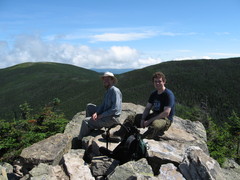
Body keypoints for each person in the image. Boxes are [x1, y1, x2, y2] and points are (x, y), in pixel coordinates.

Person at [111, 71, 175, 140]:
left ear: (164, 82)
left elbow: (166, 113)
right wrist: (143, 119)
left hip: (165, 119)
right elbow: (147, 108)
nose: (157, 83)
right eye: (155, 81)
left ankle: (140, 139)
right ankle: (120, 133)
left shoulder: (168, 94)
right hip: (154, 115)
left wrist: (149, 121)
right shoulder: (154, 94)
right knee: (131, 118)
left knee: (155, 125)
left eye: (159, 81)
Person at [78, 72, 122, 140]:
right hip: (107, 115)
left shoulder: (114, 91)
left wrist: (101, 115)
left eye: (108, 79)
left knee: (85, 121)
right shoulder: (108, 91)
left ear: (112, 80)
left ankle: (80, 140)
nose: (105, 81)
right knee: (89, 106)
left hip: (111, 119)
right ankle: (91, 126)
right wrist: (96, 113)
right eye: (104, 79)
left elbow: (115, 109)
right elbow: (103, 105)